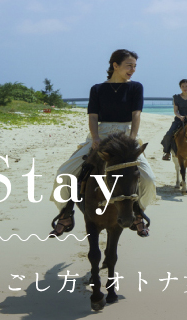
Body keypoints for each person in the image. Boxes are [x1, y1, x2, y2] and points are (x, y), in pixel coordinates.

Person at [49, 49, 155, 238]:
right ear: (115, 66)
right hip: (101, 136)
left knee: (148, 179)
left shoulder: (136, 87)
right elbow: (93, 116)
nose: (133, 69)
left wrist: (132, 136)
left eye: (135, 66)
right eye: (129, 65)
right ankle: (65, 214)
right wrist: (95, 137)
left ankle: (138, 212)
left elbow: (136, 114)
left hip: (125, 137)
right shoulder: (97, 89)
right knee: (64, 174)